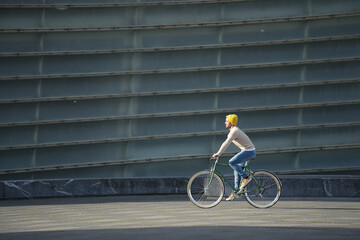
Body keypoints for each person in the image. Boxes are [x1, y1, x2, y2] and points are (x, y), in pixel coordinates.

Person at [212, 114, 256, 201]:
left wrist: (218, 153)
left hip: (249, 151)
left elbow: (226, 143)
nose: (225, 123)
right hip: (246, 150)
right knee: (236, 171)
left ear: (231, 123)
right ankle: (236, 191)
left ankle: (246, 178)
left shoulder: (234, 131)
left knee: (232, 162)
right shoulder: (234, 131)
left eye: (227, 121)